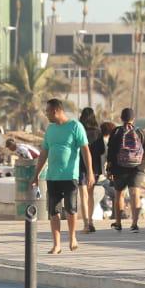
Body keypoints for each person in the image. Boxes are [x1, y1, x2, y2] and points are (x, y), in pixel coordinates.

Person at [32, 98, 94, 255]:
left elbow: (86, 151)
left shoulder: (75, 126)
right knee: (54, 211)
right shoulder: (50, 129)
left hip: (70, 176)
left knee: (71, 210)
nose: (46, 115)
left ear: (55, 111)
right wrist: (36, 174)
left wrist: (90, 173)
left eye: (47, 112)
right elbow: (44, 153)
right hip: (52, 176)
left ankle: (72, 237)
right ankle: (57, 244)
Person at [107, 108, 145, 231]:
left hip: (119, 168)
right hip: (137, 168)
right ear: (133, 119)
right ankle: (134, 223)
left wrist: (110, 169)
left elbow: (111, 152)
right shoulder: (140, 132)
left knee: (119, 194)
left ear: (121, 118)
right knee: (135, 194)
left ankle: (118, 223)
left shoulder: (116, 131)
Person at [77, 107, 102, 233]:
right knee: (90, 194)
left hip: (80, 165)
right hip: (95, 167)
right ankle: (91, 221)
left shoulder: (79, 131)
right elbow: (102, 150)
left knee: (83, 195)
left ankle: (86, 223)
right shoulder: (98, 132)